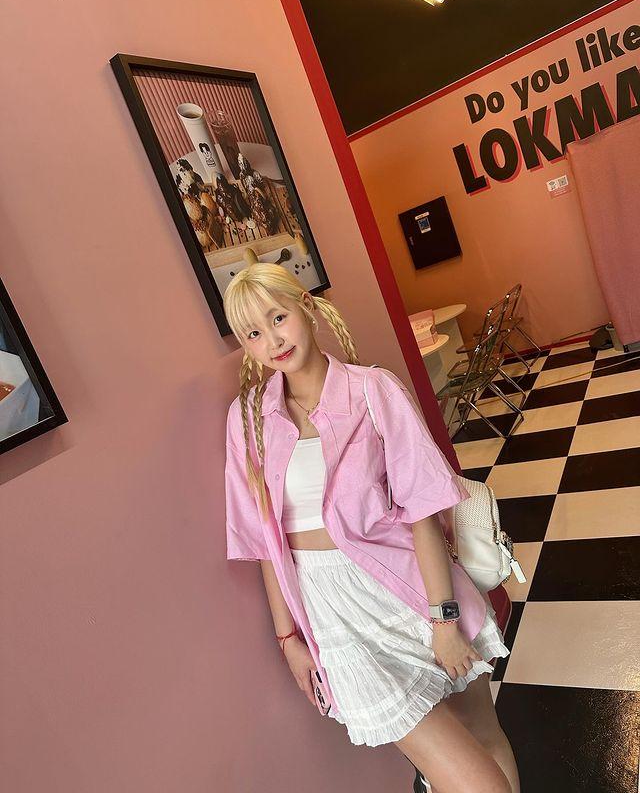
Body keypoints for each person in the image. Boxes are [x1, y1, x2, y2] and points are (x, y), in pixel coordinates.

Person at [222, 262, 520, 793]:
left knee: (484, 732)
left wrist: (444, 621)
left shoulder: (373, 390)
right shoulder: (248, 418)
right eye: (253, 333)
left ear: (307, 308)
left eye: (278, 318)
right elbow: (266, 543)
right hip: (337, 616)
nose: (272, 341)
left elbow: (422, 510)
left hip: (414, 590)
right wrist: (288, 638)